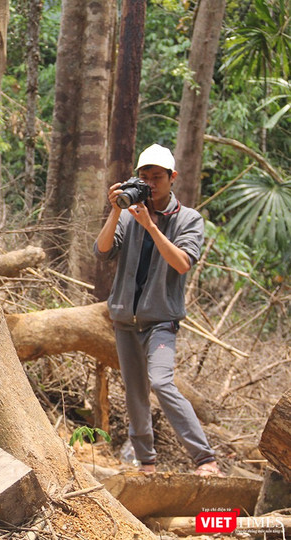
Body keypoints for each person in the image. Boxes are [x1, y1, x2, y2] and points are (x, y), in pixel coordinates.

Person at [94, 143, 222, 477]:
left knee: (162, 383)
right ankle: (146, 464)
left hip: (161, 321)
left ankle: (205, 460)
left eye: (156, 177)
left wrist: (151, 226)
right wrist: (115, 210)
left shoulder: (188, 219)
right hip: (124, 320)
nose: (149, 184)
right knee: (135, 393)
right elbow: (104, 250)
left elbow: (182, 264)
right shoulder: (128, 213)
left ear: (172, 178)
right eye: (144, 177)